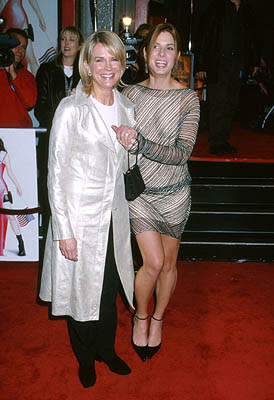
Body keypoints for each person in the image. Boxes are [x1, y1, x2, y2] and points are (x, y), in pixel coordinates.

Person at [39, 30, 136, 388]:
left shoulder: (127, 105)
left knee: (108, 288)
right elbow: (55, 172)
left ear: (121, 63)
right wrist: (64, 230)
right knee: (81, 292)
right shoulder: (71, 108)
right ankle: (85, 358)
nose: (107, 67)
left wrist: (133, 143)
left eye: (113, 59)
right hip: (78, 217)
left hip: (114, 217)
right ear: (87, 65)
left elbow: (127, 166)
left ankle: (106, 350)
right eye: (99, 59)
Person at [118, 23, 200, 361]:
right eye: (156, 47)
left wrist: (141, 143)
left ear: (178, 55)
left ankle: (159, 318)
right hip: (141, 194)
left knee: (168, 265)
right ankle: (140, 316)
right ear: (145, 53)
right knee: (152, 262)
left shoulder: (188, 98)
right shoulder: (130, 94)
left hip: (175, 194)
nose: (162, 54)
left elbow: (183, 152)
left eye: (169, 48)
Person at [194, 0, 259, 155]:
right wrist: (201, 65)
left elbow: (253, 38)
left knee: (231, 101)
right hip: (218, 63)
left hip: (238, 63)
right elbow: (204, 36)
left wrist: (255, 62)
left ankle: (223, 139)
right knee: (218, 101)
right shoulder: (215, 8)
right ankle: (217, 142)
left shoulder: (247, 10)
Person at [34, 26, 83, 232]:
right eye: (63, 39)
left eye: (72, 39)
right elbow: (40, 107)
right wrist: (60, 124)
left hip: (80, 140)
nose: (67, 43)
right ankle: (49, 230)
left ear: (80, 45)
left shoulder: (86, 72)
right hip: (53, 138)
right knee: (51, 183)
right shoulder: (46, 70)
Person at [0, 27, 37, 127]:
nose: (20, 50)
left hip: (21, 133)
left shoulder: (27, 76)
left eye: (24, 47)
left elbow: (30, 103)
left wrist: (13, 74)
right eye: (16, 45)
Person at [0, 138, 26, 256]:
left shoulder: (3, 154)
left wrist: (18, 186)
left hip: (2, 190)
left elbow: (10, 172)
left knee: (11, 217)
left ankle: (21, 243)